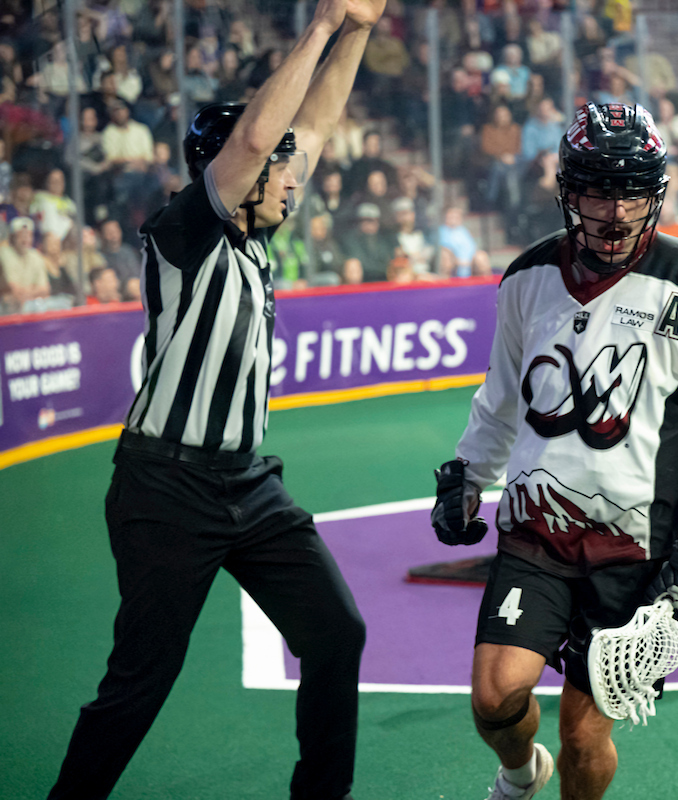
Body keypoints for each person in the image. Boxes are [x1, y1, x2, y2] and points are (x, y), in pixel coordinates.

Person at [44, 0, 384, 796]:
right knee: (143, 677)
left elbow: (314, 128)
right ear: (231, 175)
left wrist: (361, 28)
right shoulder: (184, 231)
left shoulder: (256, 238)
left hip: (248, 483)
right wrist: (322, 25)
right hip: (165, 487)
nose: (294, 178)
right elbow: (258, 141)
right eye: (279, 169)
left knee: (336, 633)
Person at [430, 102, 678, 800]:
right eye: (597, 191)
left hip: (640, 548)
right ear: (567, 190)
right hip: (537, 528)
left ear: (657, 193)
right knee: (494, 698)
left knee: (585, 737)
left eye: (633, 193)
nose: (615, 212)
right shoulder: (526, 277)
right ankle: (521, 773)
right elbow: (502, 393)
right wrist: (468, 472)